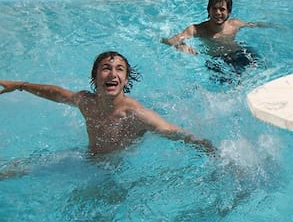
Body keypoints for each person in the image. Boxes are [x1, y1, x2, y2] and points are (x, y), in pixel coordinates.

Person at [0, 51, 215, 156]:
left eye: (120, 69)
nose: (113, 74)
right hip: (90, 158)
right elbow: (56, 93)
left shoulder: (136, 114)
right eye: (106, 68)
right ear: (95, 78)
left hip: (117, 167)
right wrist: (21, 85)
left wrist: (208, 147)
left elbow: (171, 130)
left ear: (126, 80)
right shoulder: (86, 101)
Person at [161, 0, 267, 56]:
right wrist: (180, 46)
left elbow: (254, 25)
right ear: (208, 10)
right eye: (214, 8)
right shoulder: (196, 29)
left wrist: (273, 26)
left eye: (222, 9)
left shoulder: (235, 24)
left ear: (229, 12)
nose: (218, 13)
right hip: (217, 60)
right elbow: (168, 40)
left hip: (240, 53)